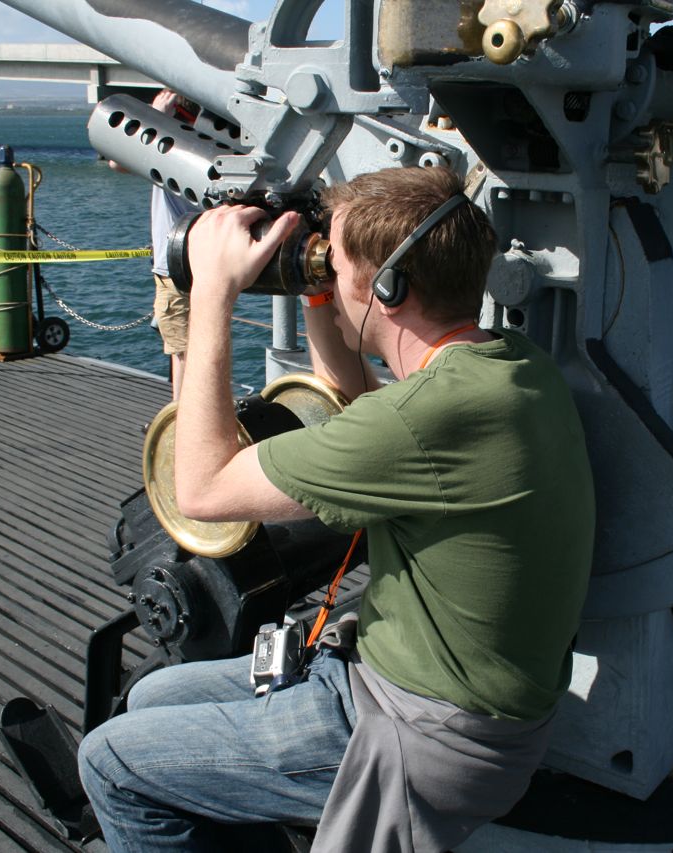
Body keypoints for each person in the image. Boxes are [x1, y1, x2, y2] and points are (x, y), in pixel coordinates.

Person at [78, 166, 596, 851]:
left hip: (419, 734)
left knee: (110, 760)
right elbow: (363, 403)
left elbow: (199, 489)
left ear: (389, 288)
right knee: (150, 698)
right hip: (436, 697)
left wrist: (213, 295)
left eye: (334, 260)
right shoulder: (506, 367)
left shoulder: (425, 422)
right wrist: (317, 289)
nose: (323, 268)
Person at [112, 88, 200, 400]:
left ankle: (182, 424)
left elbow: (117, 160)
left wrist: (154, 118)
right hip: (207, 266)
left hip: (174, 268)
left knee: (184, 355)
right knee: (199, 350)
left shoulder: (166, 151)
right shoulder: (206, 148)